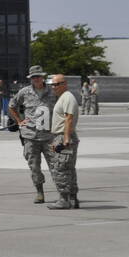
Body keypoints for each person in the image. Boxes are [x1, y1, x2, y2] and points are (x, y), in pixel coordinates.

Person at [8, 65, 56, 204]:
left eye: (38, 76)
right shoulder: (25, 92)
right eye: (33, 77)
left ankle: (63, 191)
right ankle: (39, 192)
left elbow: (62, 108)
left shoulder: (53, 92)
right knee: (34, 166)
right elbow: (12, 105)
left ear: (43, 77)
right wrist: (19, 121)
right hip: (31, 136)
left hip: (49, 137)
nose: (36, 79)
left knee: (56, 165)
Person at [45, 74, 81, 209]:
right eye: (52, 85)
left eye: (56, 84)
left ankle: (64, 199)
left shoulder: (67, 97)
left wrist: (65, 139)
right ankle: (72, 198)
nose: (53, 87)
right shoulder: (63, 97)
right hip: (62, 136)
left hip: (63, 136)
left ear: (64, 84)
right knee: (69, 168)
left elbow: (69, 118)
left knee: (60, 168)